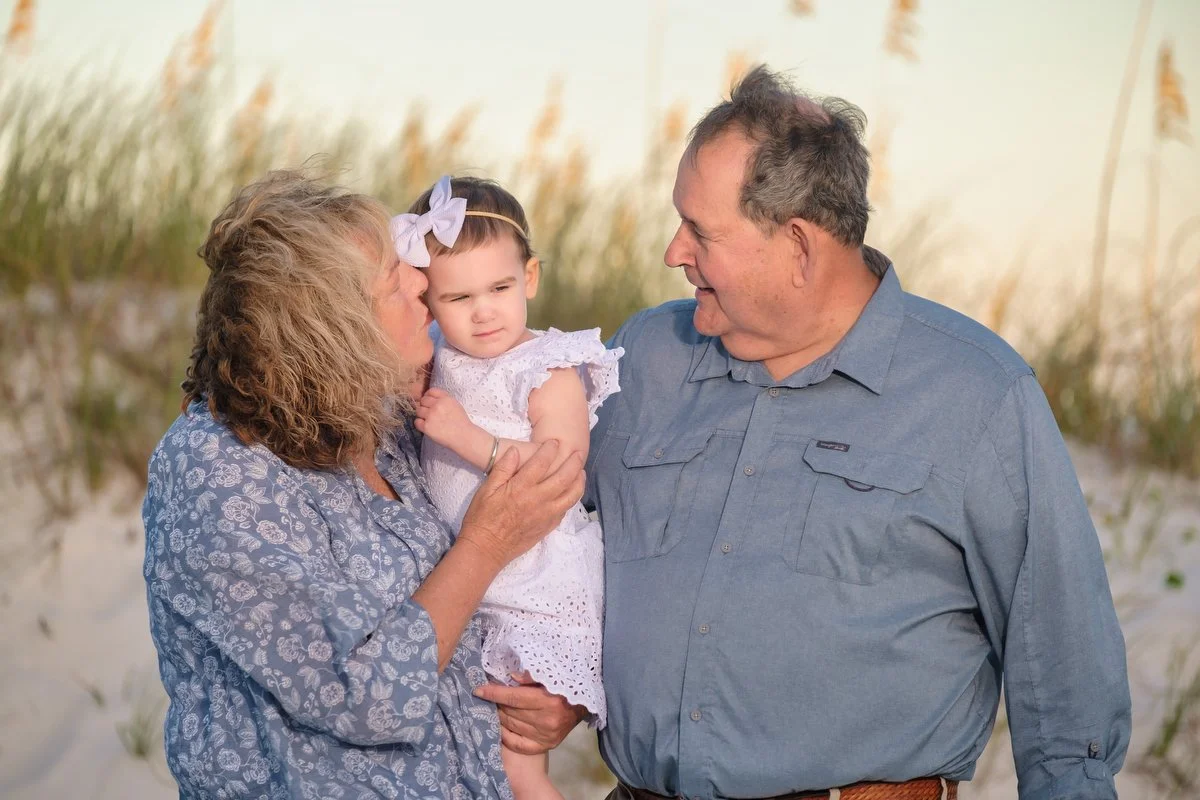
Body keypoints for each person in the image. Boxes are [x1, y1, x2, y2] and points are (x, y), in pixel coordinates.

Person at [481, 66, 1133, 800]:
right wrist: (561, 681)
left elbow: (1063, 669)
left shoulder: (977, 394)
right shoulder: (644, 360)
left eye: (701, 230)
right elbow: (553, 537)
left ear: (797, 246)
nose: (673, 252)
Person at [142, 170, 586, 799]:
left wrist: (553, 696)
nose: (418, 278)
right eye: (391, 278)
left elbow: (482, 605)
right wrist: (486, 545)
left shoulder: (382, 420)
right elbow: (363, 692)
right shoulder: (219, 474)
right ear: (330, 332)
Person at [395, 174, 622, 799]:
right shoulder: (436, 354)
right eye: (458, 297)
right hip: (471, 583)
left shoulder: (546, 367)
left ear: (531, 278)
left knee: (516, 760)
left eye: (499, 287)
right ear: (429, 304)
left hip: (536, 584)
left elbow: (563, 467)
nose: (483, 311)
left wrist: (471, 440)